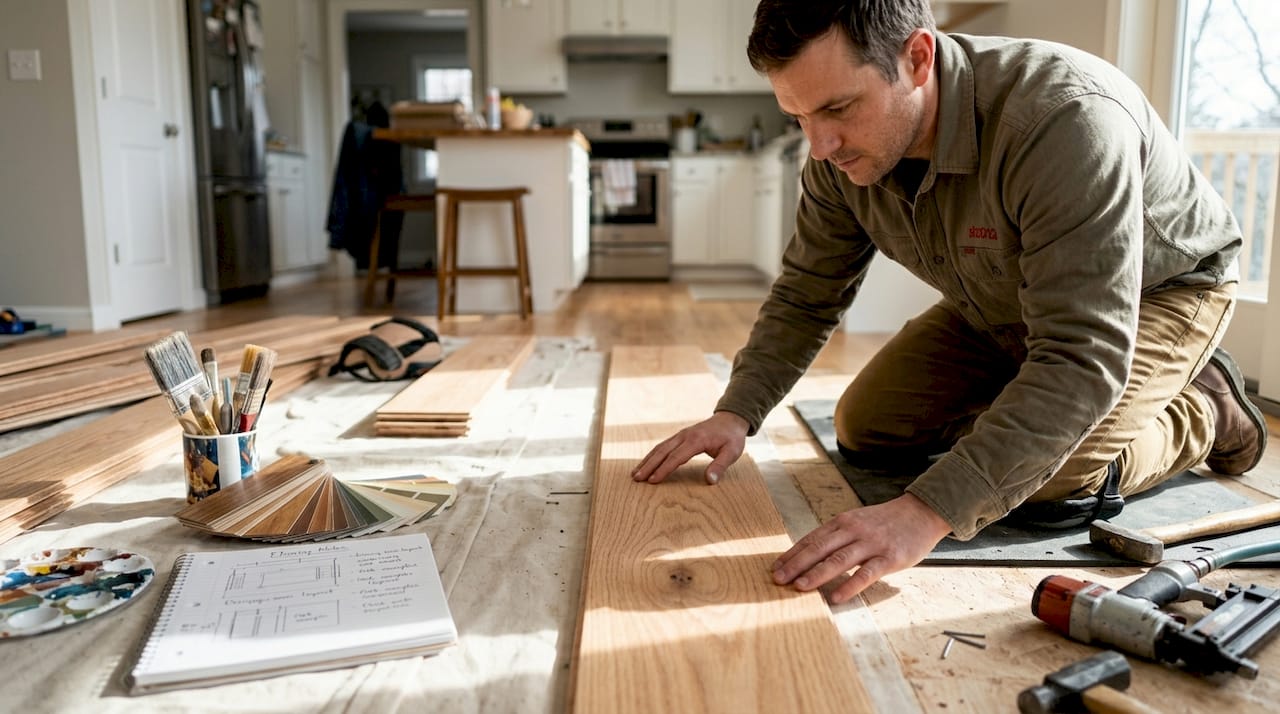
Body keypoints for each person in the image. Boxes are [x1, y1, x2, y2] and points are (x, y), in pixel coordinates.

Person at [633, 0, 1269, 605]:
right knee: (867, 428)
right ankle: (1037, 403)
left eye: (839, 109)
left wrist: (926, 512)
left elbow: (1080, 353)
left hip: (1154, 294)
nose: (820, 145)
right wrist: (737, 412)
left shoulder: (1064, 120)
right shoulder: (835, 155)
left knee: (1043, 482)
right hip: (1002, 299)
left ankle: (1207, 409)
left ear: (916, 58)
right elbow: (807, 292)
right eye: (797, 117)